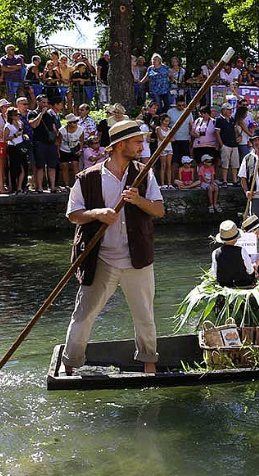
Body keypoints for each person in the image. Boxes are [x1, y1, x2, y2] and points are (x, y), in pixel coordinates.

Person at [62, 119, 165, 376]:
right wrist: (97, 214)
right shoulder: (88, 177)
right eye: (137, 141)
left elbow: (159, 210)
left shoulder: (144, 173)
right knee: (83, 315)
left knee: (145, 317)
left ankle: (149, 365)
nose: (142, 145)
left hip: (137, 259)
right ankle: (70, 365)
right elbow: (73, 214)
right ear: (120, 145)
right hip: (101, 260)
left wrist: (139, 201)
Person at [210, 220, 256, 288]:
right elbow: (250, 270)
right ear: (236, 239)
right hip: (243, 284)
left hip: (224, 285)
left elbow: (214, 273)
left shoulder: (215, 253)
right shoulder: (242, 250)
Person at [214, 103, 239, 185]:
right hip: (225, 144)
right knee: (225, 164)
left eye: (231, 110)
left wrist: (238, 137)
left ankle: (235, 180)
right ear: (223, 110)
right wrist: (221, 145)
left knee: (235, 163)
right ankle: (225, 180)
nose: (230, 111)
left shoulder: (232, 119)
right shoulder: (219, 119)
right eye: (228, 110)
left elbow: (235, 131)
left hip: (234, 144)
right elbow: (217, 133)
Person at [58, 113, 84, 188]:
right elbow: (58, 141)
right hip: (63, 149)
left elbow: (81, 140)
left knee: (75, 165)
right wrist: (58, 152)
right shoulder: (62, 131)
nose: (76, 123)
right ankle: (67, 185)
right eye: (74, 122)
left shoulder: (80, 129)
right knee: (64, 166)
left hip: (75, 148)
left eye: (76, 121)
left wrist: (81, 149)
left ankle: (77, 185)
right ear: (69, 123)